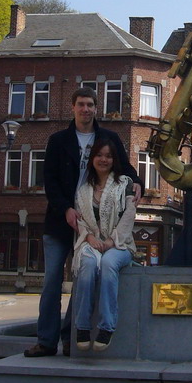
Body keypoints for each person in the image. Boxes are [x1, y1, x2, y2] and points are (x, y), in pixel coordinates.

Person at [24, 87, 141, 358]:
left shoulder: (108, 139)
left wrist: (138, 184)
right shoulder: (58, 140)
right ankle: (46, 341)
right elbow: (50, 181)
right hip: (61, 220)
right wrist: (65, 208)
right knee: (52, 281)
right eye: (81, 104)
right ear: (73, 107)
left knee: (84, 277)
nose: (86, 109)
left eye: (90, 104)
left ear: (96, 108)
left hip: (95, 223)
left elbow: (126, 169)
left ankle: (70, 338)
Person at [71, 138, 137, 351]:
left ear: (114, 159)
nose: (103, 159)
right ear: (92, 159)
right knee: (88, 265)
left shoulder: (125, 184)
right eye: (99, 155)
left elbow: (129, 215)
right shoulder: (83, 190)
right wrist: (89, 238)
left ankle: (106, 327)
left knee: (108, 264)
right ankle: (82, 327)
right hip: (91, 243)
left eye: (108, 156)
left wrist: (112, 240)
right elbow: (79, 219)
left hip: (120, 245)